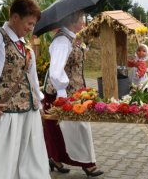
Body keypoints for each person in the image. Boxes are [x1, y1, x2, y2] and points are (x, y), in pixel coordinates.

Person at [0, 0, 50, 179]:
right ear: (15, 17)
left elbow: (31, 76)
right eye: (29, 23)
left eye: (33, 25)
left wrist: (39, 102)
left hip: (28, 111)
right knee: (4, 159)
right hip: (7, 112)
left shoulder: (23, 43)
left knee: (30, 158)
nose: (31, 28)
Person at [43, 11, 103, 177]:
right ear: (72, 20)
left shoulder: (72, 38)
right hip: (61, 93)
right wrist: (61, 92)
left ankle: (56, 159)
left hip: (74, 92)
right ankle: (86, 163)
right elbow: (56, 71)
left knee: (72, 128)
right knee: (73, 128)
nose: (83, 22)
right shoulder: (62, 41)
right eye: (81, 18)